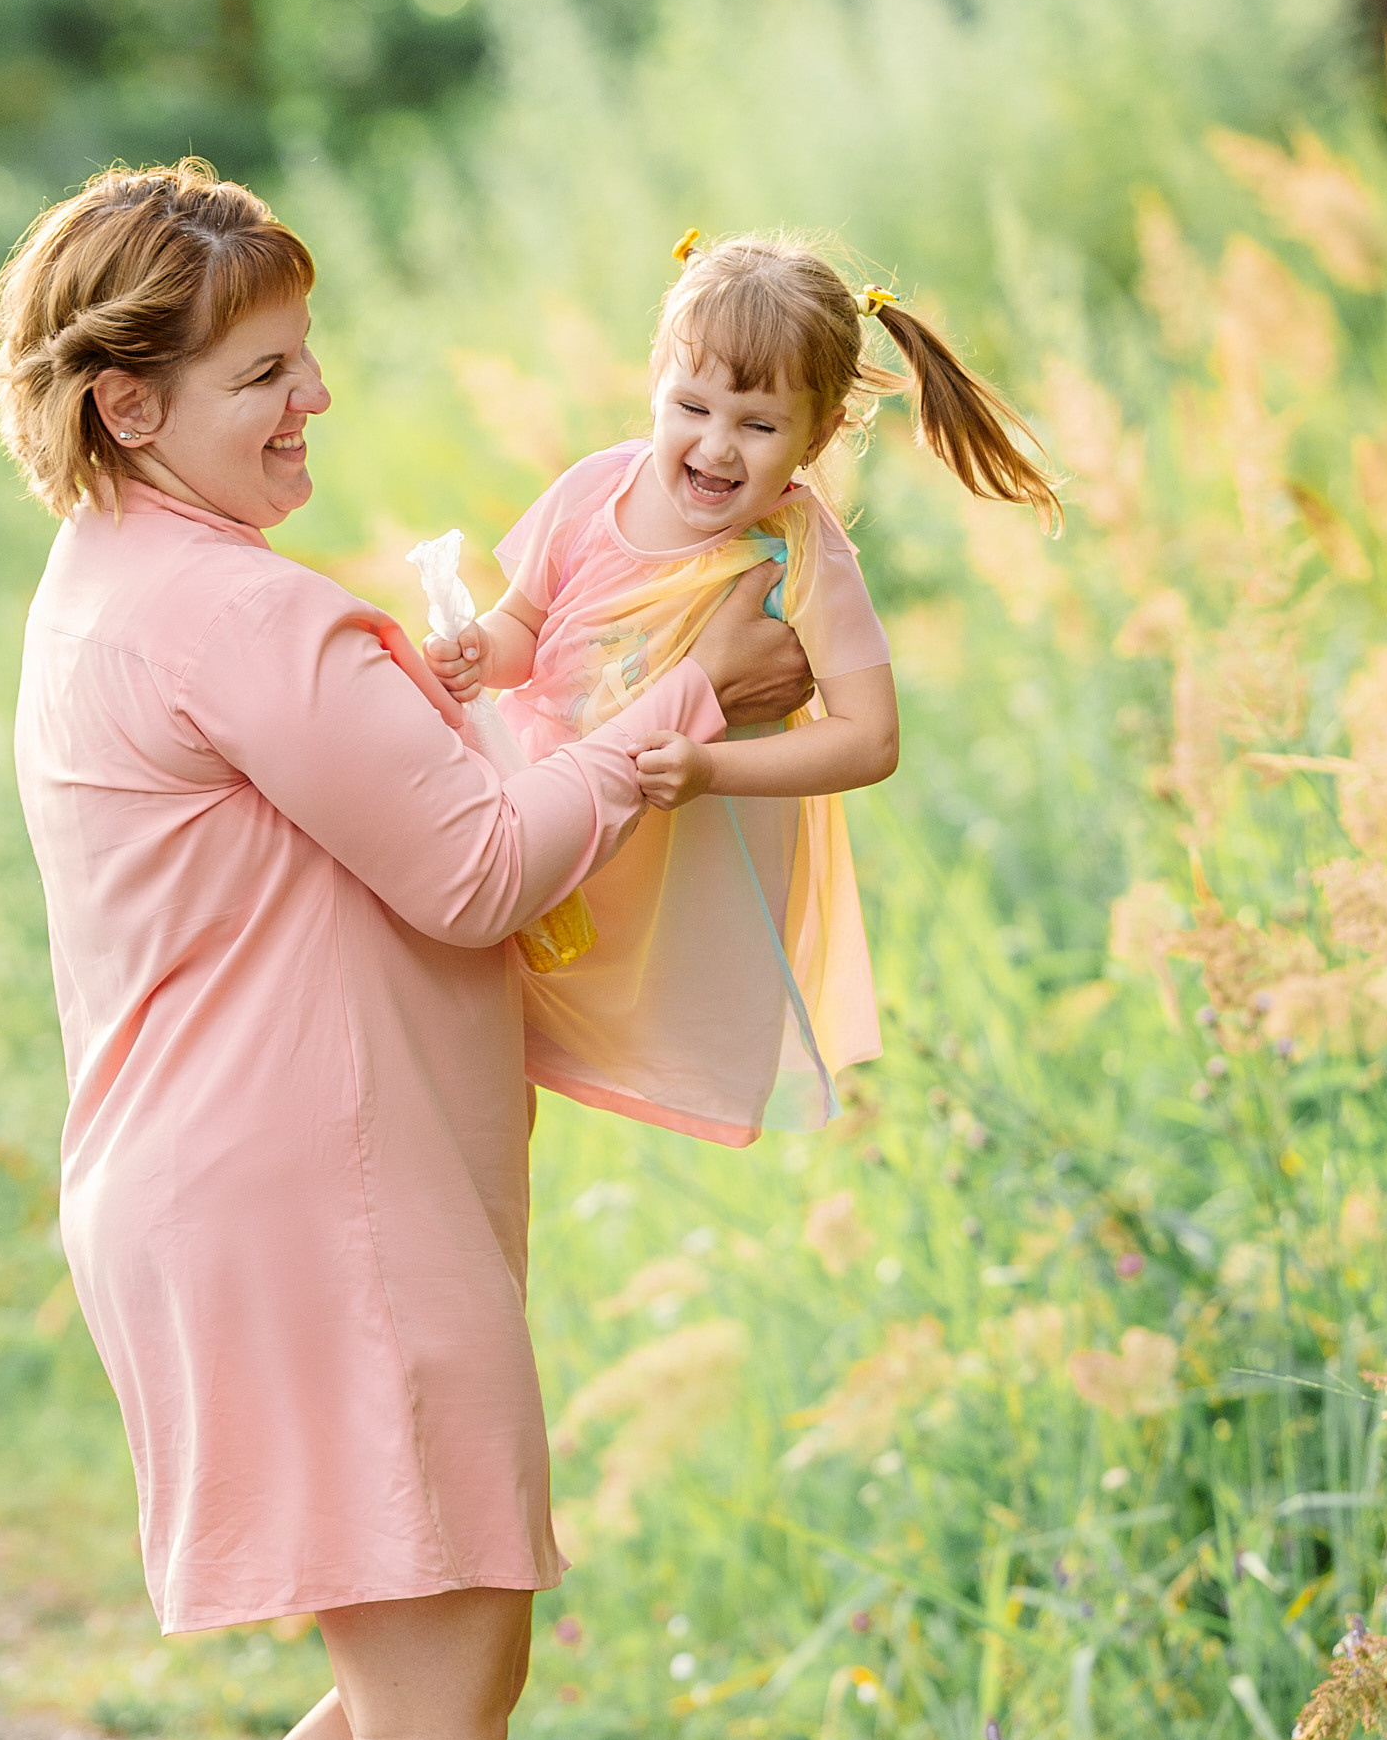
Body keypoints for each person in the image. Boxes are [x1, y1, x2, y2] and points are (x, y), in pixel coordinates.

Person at [0, 163, 817, 1740]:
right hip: (307, 1191)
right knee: (442, 1683)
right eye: (264, 372)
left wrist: (486, 680)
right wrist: (678, 705)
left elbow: (391, 807)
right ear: (127, 400)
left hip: (222, 1178)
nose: (313, 398)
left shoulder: (116, 585)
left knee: (407, 1673)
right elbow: (467, 870)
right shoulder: (242, 611)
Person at [425, 230, 1059, 1144]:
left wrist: (707, 767)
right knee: (472, 1001)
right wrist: (477, 652)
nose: (716, 448)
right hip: (550, 808)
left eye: (758, 426)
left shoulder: (799, 552)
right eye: (691, 406)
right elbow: (526, 627)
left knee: (589, 1008)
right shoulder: (590, 490)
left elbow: (869, 738)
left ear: (821, 431)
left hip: (665, 854)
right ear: (653, 377)